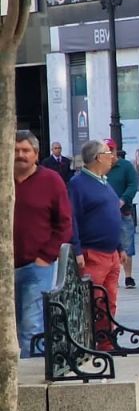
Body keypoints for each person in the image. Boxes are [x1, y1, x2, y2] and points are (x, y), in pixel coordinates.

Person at [12, 131, 71, 357]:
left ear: (36, 154)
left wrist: (46, 256)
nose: (20, 155)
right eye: (16, 150)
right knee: (10, 328)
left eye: (25, 150)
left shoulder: (51, 181)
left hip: (36, 266)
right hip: (7, 267)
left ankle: (30, 380)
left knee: (31, 326)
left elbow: (65, 223)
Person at [68, 139, 125, 346]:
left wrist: (120, 247)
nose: (112, 157)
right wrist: (77, 248)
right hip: (93, 253)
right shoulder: (78, 184)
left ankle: (106, 341)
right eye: (109, 153)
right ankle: (93, 343)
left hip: (111, 253)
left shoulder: (105, 182)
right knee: (95, 301)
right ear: (98, 158)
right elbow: (72, 218)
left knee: (109, 301)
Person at [107, 144, 139, 290]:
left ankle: (128, 276)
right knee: (108, 244)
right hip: (105, 212)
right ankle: (111, 276)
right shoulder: (100, 166)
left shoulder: (125, 166)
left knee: (126, 242)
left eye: (111, 150)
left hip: (123, 210)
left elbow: (133, 184)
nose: (109, 154)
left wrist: (123, 199)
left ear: (115, 151)